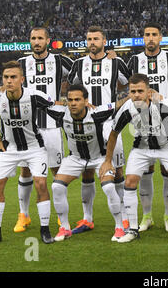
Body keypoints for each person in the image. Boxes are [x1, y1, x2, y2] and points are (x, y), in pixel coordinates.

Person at [99, 74, 168, 244]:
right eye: (132, 91)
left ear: (149, 92)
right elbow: (113, 134)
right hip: (141, 149)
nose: (136, 95)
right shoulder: (127, 108)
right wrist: (107, 160)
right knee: (129, 182)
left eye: (140, 91)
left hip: (167, 147)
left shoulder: (164, 104)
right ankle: (133, 229)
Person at [0, 61, 55, 246]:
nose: (9, 81)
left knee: (41, 184)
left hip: (34, 147)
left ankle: (45, 230)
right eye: (6, 77)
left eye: (13, 77)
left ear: (22, 79)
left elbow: (56, 107)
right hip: (8, 149)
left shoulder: (34, 96)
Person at [67, 25, 132, 233]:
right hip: (85, 124)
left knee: (117, 169)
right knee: (86, 170)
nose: (92, 42)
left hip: (110, 123)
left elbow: (127, 84)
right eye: (89, 39)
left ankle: (124, 217)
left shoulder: (116, 62)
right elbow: (71, 89)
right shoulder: (78, 64)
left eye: (96, 39)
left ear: (104, 41)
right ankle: (87, 218)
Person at [46, 84, 129, 242]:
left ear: (86, 101)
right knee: (56, 186)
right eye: (70, 100)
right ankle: (65, 228)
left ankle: (119, 227)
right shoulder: (61, 114)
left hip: (99, 158)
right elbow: (42, 102)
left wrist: (134, 95)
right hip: (75, 159)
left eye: (77, 100)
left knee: (110, 187)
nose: (73, 103)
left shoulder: (97, 114)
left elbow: (119, 104)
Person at [14, 27, 76, 234]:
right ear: (29, 41)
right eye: (33, 38)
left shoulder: (60, 61)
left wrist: (66, 100)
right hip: (27, 126)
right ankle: (24, 215)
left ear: (48, 40)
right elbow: (10, 86)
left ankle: (60, 216)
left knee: (56, 171)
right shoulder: (21, 64)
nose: (36, 41)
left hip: (51, 125)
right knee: (25, 170)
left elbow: (83, 70)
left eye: (40, 38)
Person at [127, 22, 168, 233]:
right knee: (145, 169)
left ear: (161, 38)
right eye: (147, 34)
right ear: (143, 38)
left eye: (154, 35)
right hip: (141, 121)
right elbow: (122, 80)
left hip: (167, 120)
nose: (150, 38)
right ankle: (147, 216)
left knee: (167, 170)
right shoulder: (133, 60)